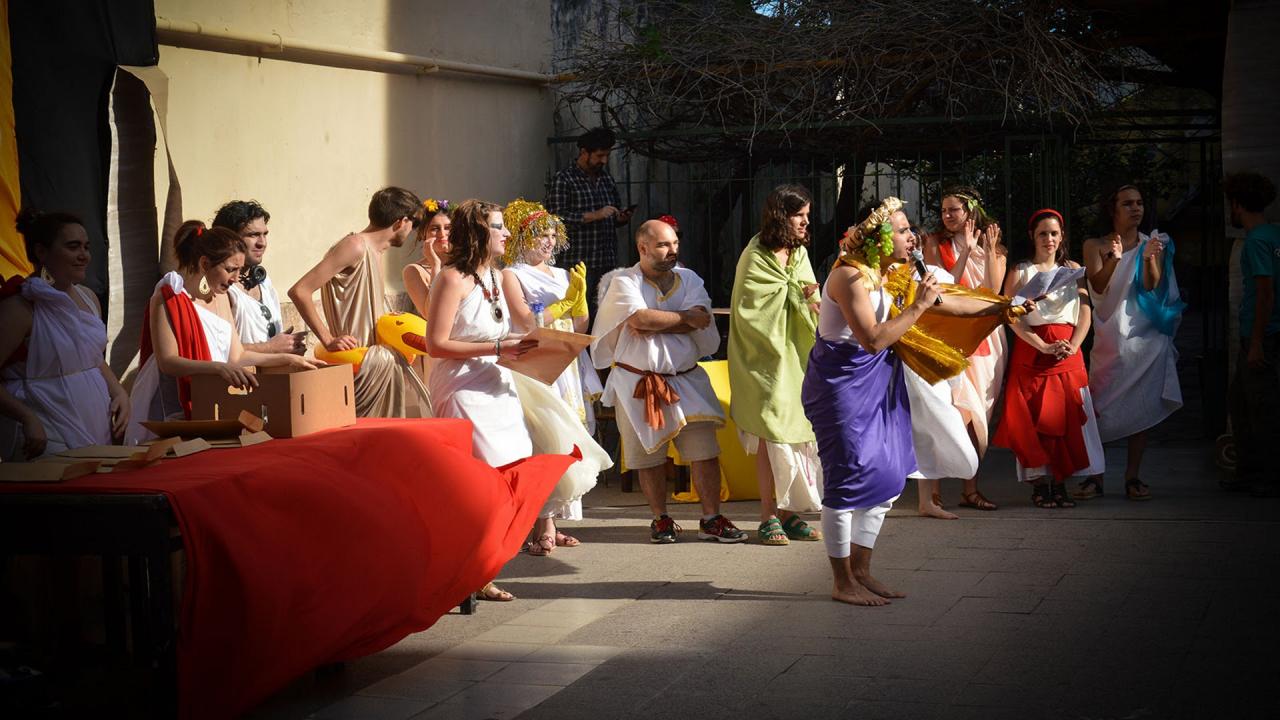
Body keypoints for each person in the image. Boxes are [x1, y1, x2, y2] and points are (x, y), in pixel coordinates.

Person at [804, 197, 1025, 606]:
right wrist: (919, 305)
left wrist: (1003, 307)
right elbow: (873, 340)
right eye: (905, 230)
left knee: (888, 477)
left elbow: (952, 301)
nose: (914, 237)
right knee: (847, 479)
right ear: (883, 237)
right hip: (841, 389)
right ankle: (842, 581)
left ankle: (863, 571)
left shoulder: (892, 273)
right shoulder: (850, 277)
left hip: (878, 385)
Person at [592, 219, 746, 544]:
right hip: (639, 382)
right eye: (663, 245)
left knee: (705, 450)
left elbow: (701, 318)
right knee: (648, 456)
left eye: (675, 244)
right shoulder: (624, 281)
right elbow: (638, 319)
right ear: (643, 247)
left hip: (687, 379)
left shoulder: (689, 278)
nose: (672, 251)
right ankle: (660, 519)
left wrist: (662, 322)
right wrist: (682, 319)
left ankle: (711, 518)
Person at [424, 199, 538, 601]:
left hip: (498, 383)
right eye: (498, 227)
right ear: (477, 233)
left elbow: (522, 324)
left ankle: (483, 566)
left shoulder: (498, 276)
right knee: (478, 483)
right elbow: (435, 344)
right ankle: (470, 575)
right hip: (461, 387)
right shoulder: (451, 278)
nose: (507, 234)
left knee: (514, 469)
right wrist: (494, 346)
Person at [127, 221, 315, 443]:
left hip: (211, 398)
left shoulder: (223, 296)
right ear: (205, 263)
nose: (236, 278)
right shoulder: (168, 297)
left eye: (239, 270)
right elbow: (168, 362)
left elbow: (237, 356)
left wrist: (285, 359)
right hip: (173, 407)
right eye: (230, 270)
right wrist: (218, 368)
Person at [499, 198, 611, 555]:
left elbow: (580, 326)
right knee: (543, 435)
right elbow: (525, 321)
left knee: (569, 437)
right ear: (520, 238)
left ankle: (555, 519)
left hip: (567, 361)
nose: (548, 241)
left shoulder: (564, 274)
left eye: (551, 234)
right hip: (537, 361)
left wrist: (580, 302)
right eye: (539, 235)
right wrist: (561, 305)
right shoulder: (511, 274)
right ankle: (542, 522)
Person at [727, 184, 824, 546]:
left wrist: (812, 301)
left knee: (798, 435)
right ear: (781, 216)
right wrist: (796, 296)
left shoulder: (797, 253)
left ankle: (790, 513)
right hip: (763, 361)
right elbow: (749, 312)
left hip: (796, 356)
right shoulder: (755, 255)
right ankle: (768, 515)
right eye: (799, 216)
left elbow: (808, 291)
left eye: (807, 216)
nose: (805, 222)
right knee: (771, 435)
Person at [996, 209, 1106, 508]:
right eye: (1043, 233)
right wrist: (1041, 346)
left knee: (1067, 415)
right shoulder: (1020, 271)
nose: (1049, 239)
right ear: (1032, 236)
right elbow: (1011, 316)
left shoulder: (1073, 268)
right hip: (1032, 348)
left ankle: (1061, 483)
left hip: (1068, 349)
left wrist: (1073, 344)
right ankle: (1040, 485)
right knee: (1033, 418)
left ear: (1062, 237)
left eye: (1054, 233)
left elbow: (1085, 311)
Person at [288, 187, 428, 418]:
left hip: (375, 364)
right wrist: (328, 339)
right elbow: (300, 290)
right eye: (413, 224)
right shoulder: (355, 246)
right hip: (357, 366)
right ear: (401, 221)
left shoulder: (375, 251)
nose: (412, 231)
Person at [1081, 185, 1184, 500]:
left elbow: (1152, 286)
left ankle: (1132, 477)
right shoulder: (1094, 245)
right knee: (1097, 408)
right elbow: (1096, 284)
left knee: (1141, 407)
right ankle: (1095, 477)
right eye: (1128, 203)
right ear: (1112, 209)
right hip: (1110, 336)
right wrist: (1113, 258)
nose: (1136, 209)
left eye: (1139, 203)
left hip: (1145, 336)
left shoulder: (1152, 243)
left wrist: (1150, 258)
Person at [0, 209, 129, 459]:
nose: (84, 256)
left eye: (86, 247)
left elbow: (91, 357)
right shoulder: (21, 306)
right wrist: (27, 417)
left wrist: (120, 392)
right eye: (73, 247)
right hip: (44, 428)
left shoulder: (89, 298)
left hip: (95, 424)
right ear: (41, 252)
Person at [922, 186, 1007, 511]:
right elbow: (941, 289)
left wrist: (983, 251)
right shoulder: (935, 244)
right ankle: (933, 492)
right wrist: (966, 252)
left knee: (979, 415)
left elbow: (993, 293)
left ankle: (970, 487)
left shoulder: (995, 246)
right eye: (944, 210)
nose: (947, 216)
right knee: (949, 408)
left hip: (986, 338)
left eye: (953, 210)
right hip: (950, 334)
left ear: (970, 212)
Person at [902, 243, 979, 520]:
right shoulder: (882, 274)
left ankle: (927, 500)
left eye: (913, 241)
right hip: (892, 355)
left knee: (931, 424)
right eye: (903, 237)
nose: (910, 247)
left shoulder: (934, 273)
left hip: (927, 358)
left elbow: (956, 305)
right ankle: (876, 496)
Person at [1223, 172, 1280, 497]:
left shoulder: (1257, 240)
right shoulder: (1275, 235)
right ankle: (1249, 473)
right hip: (1268, 333)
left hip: (1261, 336)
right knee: (1243, 402)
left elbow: (1264, 292)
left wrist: (1256, 342)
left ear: (1237, 204)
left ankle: (1264, 477)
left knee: (1259, 409)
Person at [546, 127, 634, 305]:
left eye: (607, 155)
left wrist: (620, 218)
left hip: (606, 259)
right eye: (600, 155)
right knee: (579, 311)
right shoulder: (564, 179)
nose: (604, 160)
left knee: (606, 310)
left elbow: (613, 212)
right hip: (578, 261)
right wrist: (595, 215)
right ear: (584, 152)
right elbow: (556, 219)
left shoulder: (606, 179)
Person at [212, 200, 306, 355]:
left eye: (265, 234)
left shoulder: (264, 281)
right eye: (253, 235)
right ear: (230, 239)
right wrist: (271, 348)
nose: (262, 243)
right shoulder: (219, 288)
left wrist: (288, 347)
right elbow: (216, 348)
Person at [402, 197, 451, 314]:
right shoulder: (414, 271)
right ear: (424, 234)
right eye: (435, 229)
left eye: (448, 228)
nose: (442, 234)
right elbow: (430, 313)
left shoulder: (464, 264)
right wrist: (435, 265)